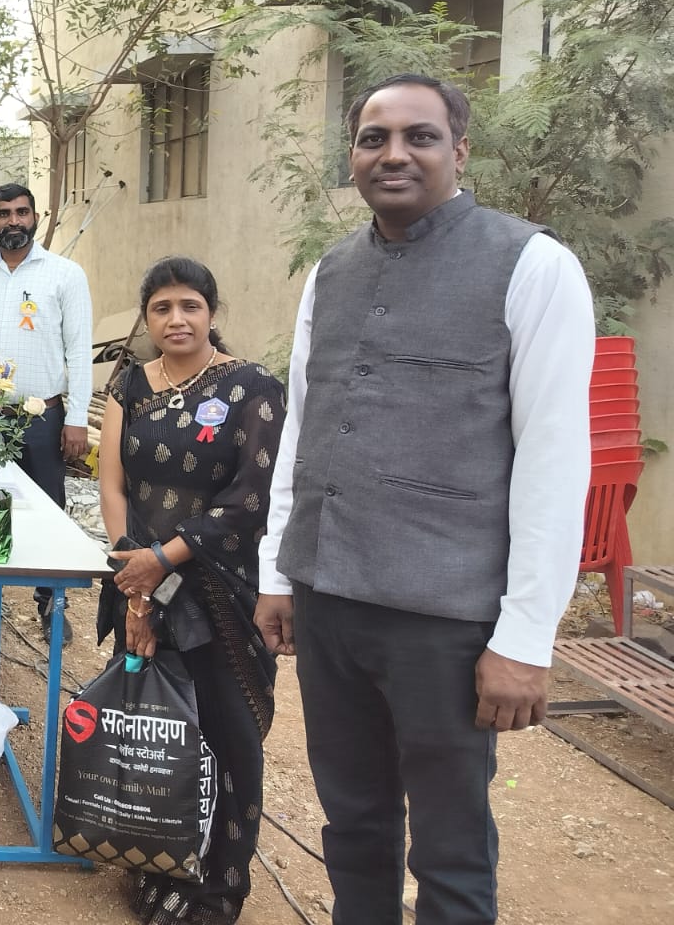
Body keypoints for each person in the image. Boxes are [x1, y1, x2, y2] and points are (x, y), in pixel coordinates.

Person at [254, 74, 594, 925]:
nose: (394, 154)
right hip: (329, 602)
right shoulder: (330, 272)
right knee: (353, 824)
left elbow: (555, 459)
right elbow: (303, 427)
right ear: (353, 155)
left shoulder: (533, 266)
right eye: (374, 138)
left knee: (451, 847)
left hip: (443, 620)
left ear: (460, 150)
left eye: (420, 136)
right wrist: (278, 573)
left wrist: (525, 636)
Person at [102, 257, 286, 925]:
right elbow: (114, 485)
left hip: (218, 590)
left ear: (211, 311)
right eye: (162, 308)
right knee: (156, 728)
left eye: (190, 306)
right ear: (146, 317)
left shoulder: (252, 388)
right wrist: (136, 583)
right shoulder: (129, 385)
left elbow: (250, 499)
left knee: (226, 739)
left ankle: (216, 890)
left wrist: (164, 560)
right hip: (140, 582)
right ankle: (157, 862)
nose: (176, 319)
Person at [0, 182, 93, 630]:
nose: (14, 221)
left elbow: (79, 351)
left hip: (43, 415)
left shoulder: (65, 274)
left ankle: (51, 603)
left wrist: (76, 419)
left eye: (21, 212)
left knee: (49, 509)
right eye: (4, 213)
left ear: (35, 217)